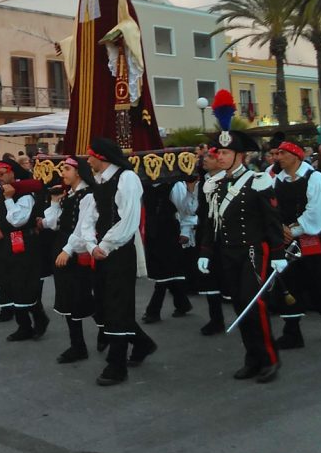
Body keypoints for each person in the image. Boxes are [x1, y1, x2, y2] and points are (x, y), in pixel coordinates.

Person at [197, 121, 284, 384]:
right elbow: (211, 222)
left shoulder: (258, 181)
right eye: (217, 153)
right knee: (239, 305)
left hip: (252, 253)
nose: (219, 157)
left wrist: (279, 254)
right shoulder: (215, 185)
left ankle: (269, 358)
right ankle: (252, 357)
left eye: (224, 153)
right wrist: (205, 251)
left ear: (240, 155)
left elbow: (272, 221)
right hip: (227, 254)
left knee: (253, 304)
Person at [56, 0, 163, 154]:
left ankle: (104, 153)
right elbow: (79, 32)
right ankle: (80, 153)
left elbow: (129, 22)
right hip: (87, 67)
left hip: (104, 62)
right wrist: (66, 44)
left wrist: (119, 34)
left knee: (105, 106)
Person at [84, 138, 158, 386]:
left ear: (102, 157)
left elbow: (129, 220)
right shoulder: (99, 181)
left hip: (120, 251)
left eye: (91, 155)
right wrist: (90, 244)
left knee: (118, 306)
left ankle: (117, 365)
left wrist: (104, 245)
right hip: (102, 251)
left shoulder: (127, 178)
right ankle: (143, 343)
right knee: (103, 305)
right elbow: (91, 216)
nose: (88, 160)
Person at [271, 140, 321, 347]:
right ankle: (292, 332)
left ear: (295, 155)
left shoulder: (314, 178)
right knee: (290, 283)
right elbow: (273, 207)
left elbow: (317, 211)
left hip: (312, 239)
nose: (278, 157)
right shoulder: (278, 180)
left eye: (282, 153)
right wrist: (280, 228)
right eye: (277, 153)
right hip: (287, 241)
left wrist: (292, 230)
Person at [0, 157, 47, 342]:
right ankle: (27, 324)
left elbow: (17, 220)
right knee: (10, 283)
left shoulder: (25, 194)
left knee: (24, 284)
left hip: (25, 244)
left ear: (12, 173)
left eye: (2, 174)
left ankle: (33, 321)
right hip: (6, 245)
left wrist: (10, 199)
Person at [43, 156, 97, 363]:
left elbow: (82, 228)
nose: (62, 172)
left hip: (76, 251)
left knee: (81, 297)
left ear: (79, 171)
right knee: (69, 297)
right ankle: (78, 345)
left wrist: (68, 250)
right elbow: (54, 224)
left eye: (66, 169)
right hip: (63, 248)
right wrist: (55, 202)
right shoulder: (69, 195)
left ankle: (93, 339)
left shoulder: (88, 196)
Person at [141, 174, 197, 323]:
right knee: (167, 271)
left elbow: (185, 209)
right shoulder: (145, 185)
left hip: (169, 232)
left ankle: (153, 311)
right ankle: (182, 303)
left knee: (164, 272)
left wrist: (186, 231)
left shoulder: (174, 185)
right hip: (153, 233)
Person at [195, 147, 228, 336]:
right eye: (205, 156)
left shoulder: (228, 181)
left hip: (225, 237)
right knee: (210, 278)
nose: (204, 159)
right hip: (207, 235)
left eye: (210, 156)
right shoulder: (204, 181)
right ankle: (216, 319)